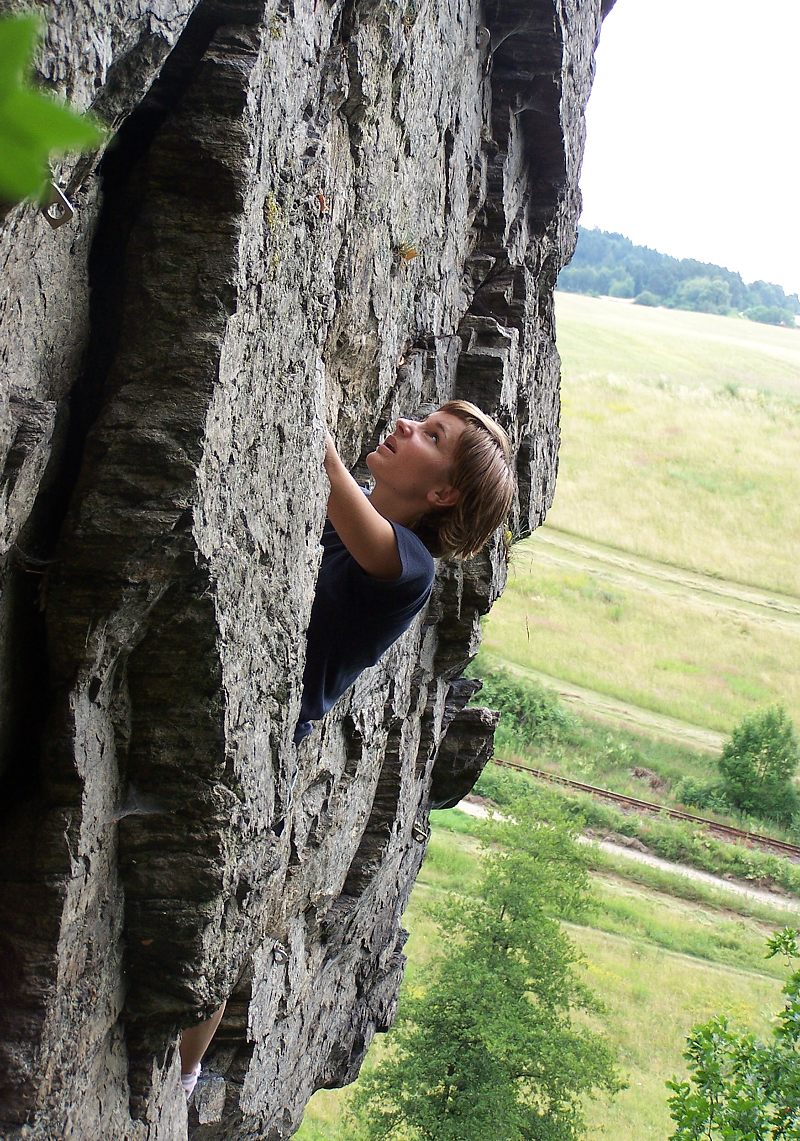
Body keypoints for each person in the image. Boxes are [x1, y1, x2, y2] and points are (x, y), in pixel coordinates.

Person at [178, 399, 515, 1096]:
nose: (406, 425)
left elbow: (330, 474)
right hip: (236, 702)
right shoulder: (356, 510)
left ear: (443, 493)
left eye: (431, 436)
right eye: (422, 418)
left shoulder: (411, 567)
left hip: (264, 744)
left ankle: (178, 1081)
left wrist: (297, 388)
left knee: (216, 922)